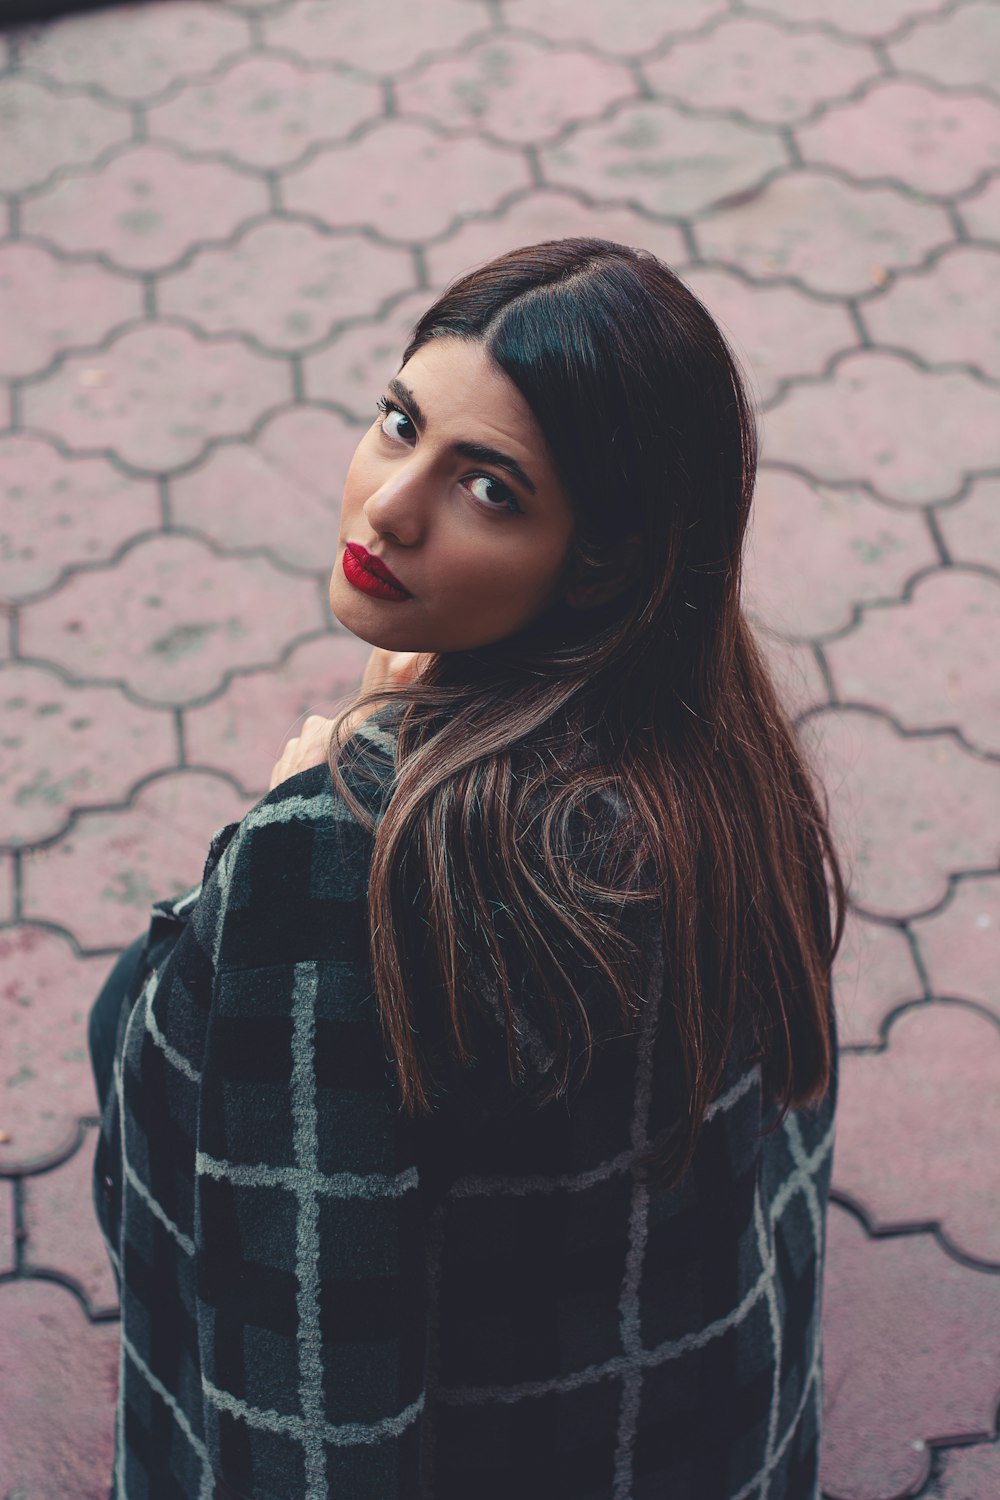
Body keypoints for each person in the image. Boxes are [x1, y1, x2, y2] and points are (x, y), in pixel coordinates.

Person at [89, 237, 845, 1500]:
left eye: (489, 489)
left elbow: (311, 1407)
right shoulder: (719, 749)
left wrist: (299, 806)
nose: (389, 507)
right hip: (701, 1430)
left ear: (597, 567)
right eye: (399, 422)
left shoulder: (340, 861)